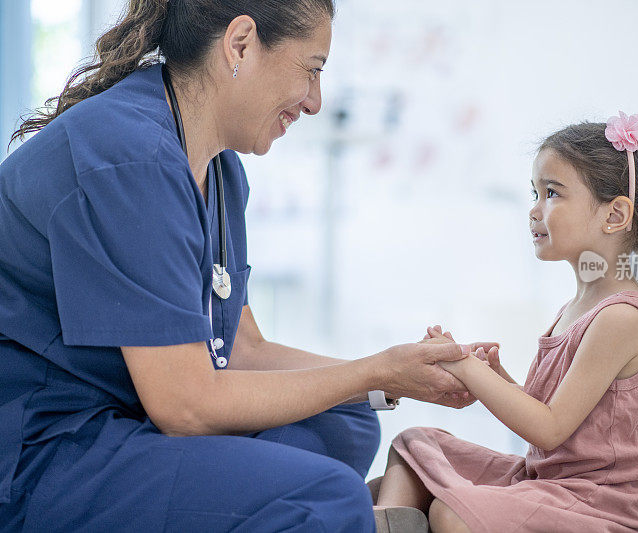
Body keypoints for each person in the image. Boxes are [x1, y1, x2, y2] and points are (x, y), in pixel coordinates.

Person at [0, 1, 499, 530]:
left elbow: (241, 349)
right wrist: (374, 370)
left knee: (346, 418)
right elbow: (185, 404)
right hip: (45, 448)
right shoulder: (132, 158)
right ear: (240, 43)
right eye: (312, 69)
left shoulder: (219, 171)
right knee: (328, 496)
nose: (315, 102)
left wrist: (394, 373)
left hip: (124, 420)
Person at [372, 114, 638, 532]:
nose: (534, 209)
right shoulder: (577, 307)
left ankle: (387, 521)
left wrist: (467, 368)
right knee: (413, 445)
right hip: (550, 484)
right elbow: (553, 419)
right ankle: (385, 524)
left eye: (552, 193)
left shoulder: (620, 318)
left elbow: (548, 431)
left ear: (615, 215)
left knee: (450, 510)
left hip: (598, 504)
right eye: (535, 192)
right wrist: (499, 378)